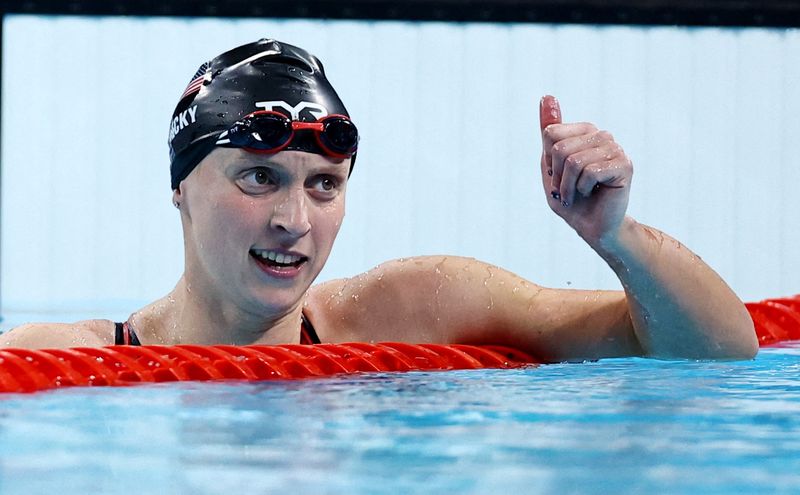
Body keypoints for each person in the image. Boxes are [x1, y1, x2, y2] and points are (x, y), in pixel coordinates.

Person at [0, 38, 757, 361]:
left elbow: (720, 353)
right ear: (180, 187)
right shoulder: (75, 364)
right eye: (259, 177)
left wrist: (617, 236)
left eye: (323, 184)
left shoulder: (415, 308)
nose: (295, 221)